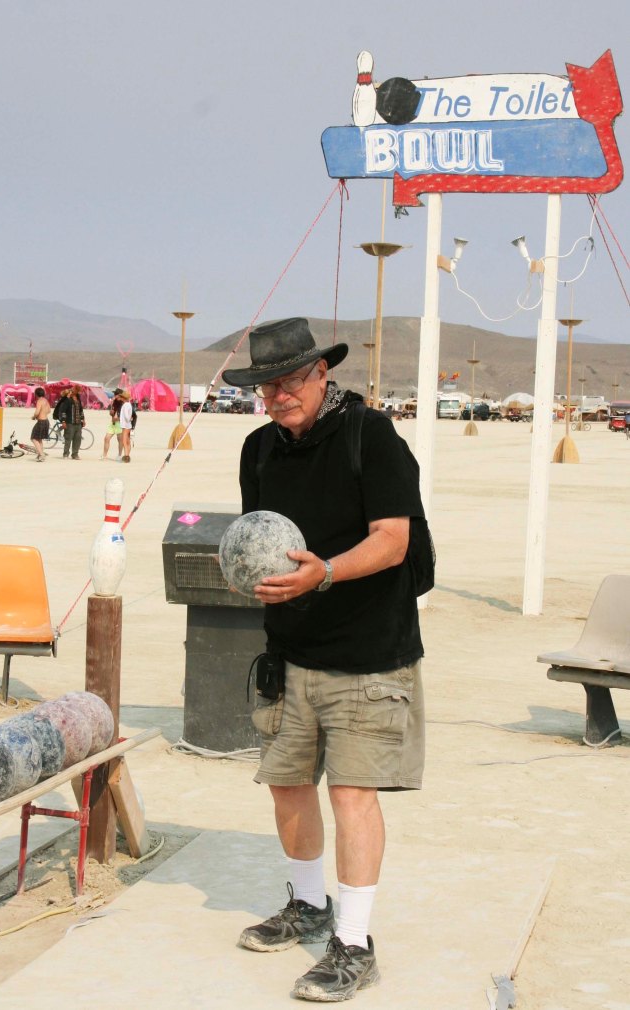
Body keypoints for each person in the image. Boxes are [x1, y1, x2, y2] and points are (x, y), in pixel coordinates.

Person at [222, 318, 426, 1002]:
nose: (279, 396)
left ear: (321, 375)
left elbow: (393, 541)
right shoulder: (257, 452)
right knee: (287, 786)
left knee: (352, 794)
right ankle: (310, 907)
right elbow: (260, 539)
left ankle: (354, 943)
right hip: (291, 651)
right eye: (266, 386)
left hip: (368, 652)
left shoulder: (374, 438)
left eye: (290, 381)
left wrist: (324, 575)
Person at [59, 386, 85, 459]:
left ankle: (75, 454)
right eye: (78, 391)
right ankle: (66, 454)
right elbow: (63, 411)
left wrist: (83, 419)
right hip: (69, 422)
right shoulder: (68, 399)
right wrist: (63, 421)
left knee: (78, 439)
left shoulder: (78, 399)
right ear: (75, 390)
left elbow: (81, 410)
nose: (79, 393)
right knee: (68, 439)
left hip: (78, 423)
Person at [101, 388, 124, 460]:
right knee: (106, 438)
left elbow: (126, 416)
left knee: (120, 439)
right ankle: (104, 455)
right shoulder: (114, 402)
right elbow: (112, 413)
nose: (114, 396)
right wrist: (111, 413)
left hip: (120, 423)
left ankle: (119, 455)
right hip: (113, 423)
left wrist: (118, 418)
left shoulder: (123, 404)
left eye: (116, 394)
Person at [30, 387, 51, 461]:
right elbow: (49, 410)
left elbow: (37, 412)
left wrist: (34, 416)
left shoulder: (39, 401)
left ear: (36, 394)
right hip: (46, 421)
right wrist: (43, 413)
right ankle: (40, 454)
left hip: (41, 421)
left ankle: (42, 455)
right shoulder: (45, 400)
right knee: (39, 439)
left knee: (33, 438)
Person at [118, 390, 134, 462]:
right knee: (127, 441)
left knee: (124, 442)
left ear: (123, 398)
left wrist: (129, 419)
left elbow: (127, 416)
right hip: (128, 425)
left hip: (125, 425)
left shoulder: (125, 405)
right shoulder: (129, 404)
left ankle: (126, 456)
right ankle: (127, 455)